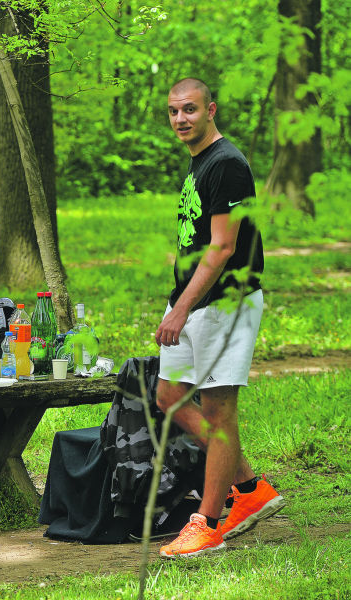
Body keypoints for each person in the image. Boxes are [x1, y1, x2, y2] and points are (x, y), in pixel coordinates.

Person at [156, 78, 285, 558]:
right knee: (169, 395)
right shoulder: (200, 162)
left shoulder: (228, 164)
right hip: (193, 299)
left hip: (225, 303)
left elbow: (224, 247)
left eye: (189, 110)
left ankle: (207, 523)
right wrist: (179, 301)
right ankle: (249, 489)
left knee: (219, 412)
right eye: (173, 111)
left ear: (210, 110)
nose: (180, 119)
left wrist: (183, 309)